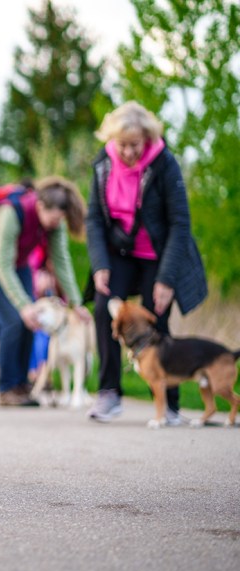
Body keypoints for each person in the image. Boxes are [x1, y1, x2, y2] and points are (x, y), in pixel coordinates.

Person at [84, 101, 207, 424]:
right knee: (102, 310)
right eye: (122, 145)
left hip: (157, 254)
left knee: (159, 317)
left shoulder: (165, 164)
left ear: (147, 139)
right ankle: (109, 392)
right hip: (118, 254)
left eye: (134, 145)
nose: (127, 152)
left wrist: (167, 278)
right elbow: (94, 219)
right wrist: (100, 265)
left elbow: (180, 224)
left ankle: (171, 404)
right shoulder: (103, 162)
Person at [0, 177, 90, 407]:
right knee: (13, 319)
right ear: (41, 206)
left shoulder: (54, 222)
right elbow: (2, 264)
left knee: (31, 320)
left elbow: (61, 261)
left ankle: (21, 384)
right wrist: (23, 304)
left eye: (61, 219)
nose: (56, 223)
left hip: (19, 264)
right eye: (54, 218)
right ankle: (7, 389)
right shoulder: (11, 213)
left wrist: (76, 302)